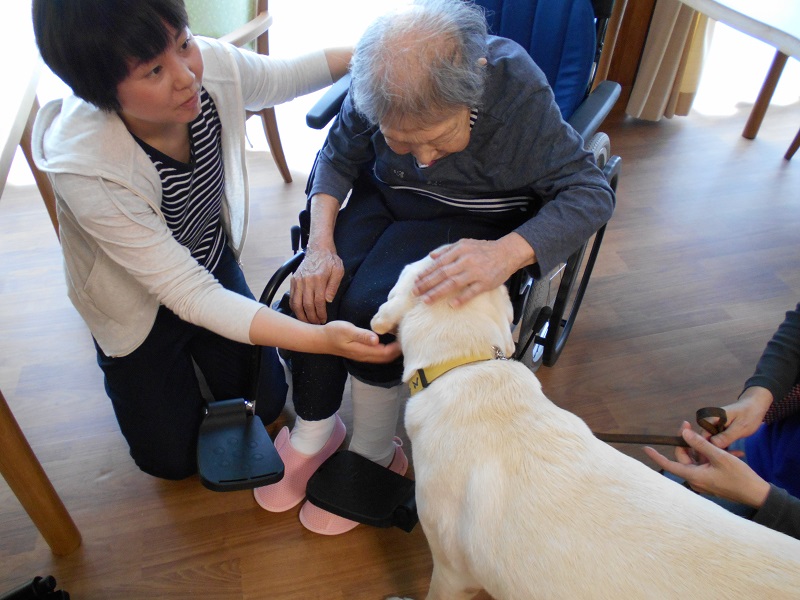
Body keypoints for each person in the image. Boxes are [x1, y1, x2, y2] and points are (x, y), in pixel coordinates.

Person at [253, 0, 615, 535]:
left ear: (475, 88)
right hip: (387, 201)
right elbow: (336, 157)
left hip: (474, 218)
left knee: (371, 308)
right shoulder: (378, 78)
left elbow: (590, 193)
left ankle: (376, 451)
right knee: (315, 294)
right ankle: (314, 431)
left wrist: (508, 252)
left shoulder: (515, 89)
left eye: (439, 138)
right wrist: (320, 243)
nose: (422, 157)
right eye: (401, 139)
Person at [30, 0, 400, 481]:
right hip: (133, 301)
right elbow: (189, 294)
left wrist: (392, 55)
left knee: (267, 404)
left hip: (204, 257)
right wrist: (321, 342)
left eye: (183, 42)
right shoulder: (87, 167)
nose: (186, 76)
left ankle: (200, 364)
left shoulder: (210, 69)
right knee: (169, 461)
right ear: (101, 92)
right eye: (154, 70)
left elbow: (293, 74)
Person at [645, 302, 800, 539]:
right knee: (642, 510)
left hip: (788, 533)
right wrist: (757, 397)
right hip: (760, 454)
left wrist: (762, 498)